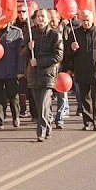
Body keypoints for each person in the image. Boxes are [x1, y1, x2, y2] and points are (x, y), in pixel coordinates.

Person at [67, 10, 96, 131]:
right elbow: (68, 53)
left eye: (88, 20)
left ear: (93, 20)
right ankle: (87, 121)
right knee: (84, 96)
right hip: (82, 69)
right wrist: (72, 48)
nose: (86, 22)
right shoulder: (75, 33)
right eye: (83, 20)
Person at [24, 9, 63, 141]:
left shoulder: (54, 35)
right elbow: (22, 54)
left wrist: (39, 62)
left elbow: (58, 55)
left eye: (43, 16)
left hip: (47, 75)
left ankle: (40, 132)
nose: (40, 19)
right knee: (39, 104)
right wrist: (28, 48)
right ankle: (48, 128)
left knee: (43, 103)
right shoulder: (30, 34)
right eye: (38, 16)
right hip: (33, 75)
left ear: (48, 19)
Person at [0, 23, 25, 129]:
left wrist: (20, 70)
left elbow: (20, 53)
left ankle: (16, 116)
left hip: (11, 71)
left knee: (13, 96)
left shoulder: (16, 32)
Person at [13, 4, 36, 119]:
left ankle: (34, 112)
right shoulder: (14, 26)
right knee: (21, 87)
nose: (21, 14)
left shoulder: (31, 27)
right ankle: (22, 109)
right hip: (18, 59)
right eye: (19, 12)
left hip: (29, 60)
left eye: (23, 12)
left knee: (31, 88)